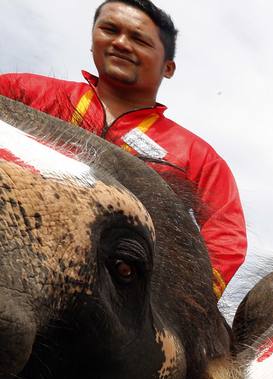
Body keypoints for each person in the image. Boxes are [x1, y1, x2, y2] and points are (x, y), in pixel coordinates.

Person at [0, 0, 247, 299]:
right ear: (92, 43)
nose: (120, 43)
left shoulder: (197, 156)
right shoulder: (21, 91)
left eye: (139, 39)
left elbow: (227, 232)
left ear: (168, 68)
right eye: (109, 29)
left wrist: (186, 304)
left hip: (116, 300)